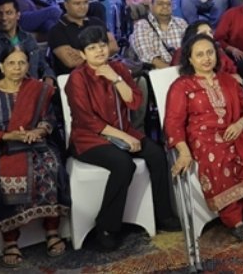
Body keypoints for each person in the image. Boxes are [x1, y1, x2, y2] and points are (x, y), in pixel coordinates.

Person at [64, 26, 179, 251]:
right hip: (89, 140)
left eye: (102, 45)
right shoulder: (77, 79)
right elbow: (88, 121)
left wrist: (116, 79)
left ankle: (163, 214)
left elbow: (134, 102)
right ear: (83, 54)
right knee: (123, 164)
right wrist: (124, 136)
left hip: (123, 131)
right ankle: (106, 227)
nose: (99, 51)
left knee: (156, 154)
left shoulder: (117, 68)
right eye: (92, 48)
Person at [0, 45, 69, 267]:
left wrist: (38, 131)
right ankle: (10, 240)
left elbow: (49, 118)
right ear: (1, 66)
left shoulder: (37, 89)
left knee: (51, 164)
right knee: (6, 173)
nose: (17, 67)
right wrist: (8, 136)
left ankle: (51, 229)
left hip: (34, 143)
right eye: (11, 63)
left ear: (28, 66)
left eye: (21, 63)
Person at [166, 34, 243, 240]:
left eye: (210, 53)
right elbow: (173, 122)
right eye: (199, 55)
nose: (206, 58)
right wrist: (184, 152)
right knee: (219, 158)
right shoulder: (182, 86)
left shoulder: (228, 80)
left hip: (234, 131)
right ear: (190, 59)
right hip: (203, 138)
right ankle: (234, 218)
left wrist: (240, 124)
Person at [0, 0, 54, 82]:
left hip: (30, 88)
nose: (4, 18)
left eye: (9, 13)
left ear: (18, 15)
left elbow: (43, 65)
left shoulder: (28, 38)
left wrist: (49, 78)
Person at [47, 0, 118, 76]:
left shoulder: (96, 22)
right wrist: (101, 53)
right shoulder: (57, 31)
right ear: (66, 5)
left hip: (105, 73)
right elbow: (71, 61)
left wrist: (80, 54)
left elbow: (114, 47)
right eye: (77, 4)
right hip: (75, 78)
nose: (83, 7)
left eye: (85, 2)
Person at [131, 0, 188, 70]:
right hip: (158, 72)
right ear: (151, 6)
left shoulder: (181, 23)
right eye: (160, 4)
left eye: (168, 4)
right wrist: (172, 71)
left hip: (184, 70)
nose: (165, 6)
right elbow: (146, 55)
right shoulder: (142, 25)